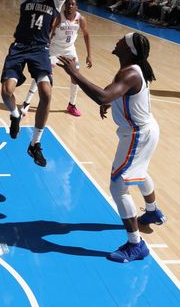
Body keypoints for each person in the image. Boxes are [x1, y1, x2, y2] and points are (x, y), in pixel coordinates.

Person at [57, 32, 166, 263]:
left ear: (128, 48)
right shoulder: (131, 69)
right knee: (138, 172)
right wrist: (109, 100)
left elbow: (104, 95)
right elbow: (112, 92)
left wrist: (76, 74)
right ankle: (153, 210)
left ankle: (136, 245)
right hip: (145, 131)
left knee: (118, 185)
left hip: (137, 134)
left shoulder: (129, 72)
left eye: (121, 40)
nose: (116, 41)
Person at [0, 0, 66, 167]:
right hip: (19, 47)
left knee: (46, 93)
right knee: (6, 92)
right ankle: (15, 114)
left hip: (39, 49)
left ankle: (35, 144)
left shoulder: (58, 0)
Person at [20, 0, 92, 118]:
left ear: (76, 7)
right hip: (54, 49)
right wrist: (43, 45)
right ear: (65, 6)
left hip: (69, 50)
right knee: (42, 74)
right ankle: (26, 102)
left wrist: (89, 55)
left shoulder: (80, 19)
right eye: (68, 4)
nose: (69, 6)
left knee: (76, 76)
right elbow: (48, 30)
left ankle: (72, 105)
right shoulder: (59, 17)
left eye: (72, 5)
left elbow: (86, 35)